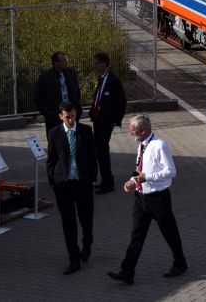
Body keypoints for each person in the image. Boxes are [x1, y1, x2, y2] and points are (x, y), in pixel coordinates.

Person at [108, 115, 188, 285]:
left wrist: (148, 177)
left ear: (143, 131)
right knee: (136, 236)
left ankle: (180, 263)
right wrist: (132, 181)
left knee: (170, 234)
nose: (130, 133)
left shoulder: (160, 145)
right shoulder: (142, 145)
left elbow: (171, 171)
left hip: (158, 199)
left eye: (133, 130)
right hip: (141, 199)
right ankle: (127, 272)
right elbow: (140, 168)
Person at [47, 101, 96, 274]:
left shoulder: (85, 131)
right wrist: (54, 181)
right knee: (68, 224)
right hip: (64, 185)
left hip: (82, 184)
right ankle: (73, 259)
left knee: (86, 219)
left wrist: (92, 179)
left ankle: (87, 243)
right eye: (67, 117)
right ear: (61, 116)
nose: (70, 120)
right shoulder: (54, 133)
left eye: (73, 117)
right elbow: (51, 160)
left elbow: (92, 156)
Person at [90, 52, 127, 194]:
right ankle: (105, 180)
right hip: (98, 120)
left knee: (102, 150)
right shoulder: (101, 79)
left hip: (107, 122)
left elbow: (121, 102)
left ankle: (108, 182)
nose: (95, 65)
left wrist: (116, 120)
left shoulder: (113, 80)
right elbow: (99, 97)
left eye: (96, 63)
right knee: (99, 150)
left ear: (104, 64)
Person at [36, 51, 82, 131]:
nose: (65, 63)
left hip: (71, 115)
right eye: (62, 61)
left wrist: (78, 109)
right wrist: (47, 113)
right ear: (55, 63)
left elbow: (77, 92)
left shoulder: (71, 73)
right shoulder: (46, 77)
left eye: (66, 60)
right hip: (54, 117)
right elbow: (38, 98)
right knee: (56, 141)